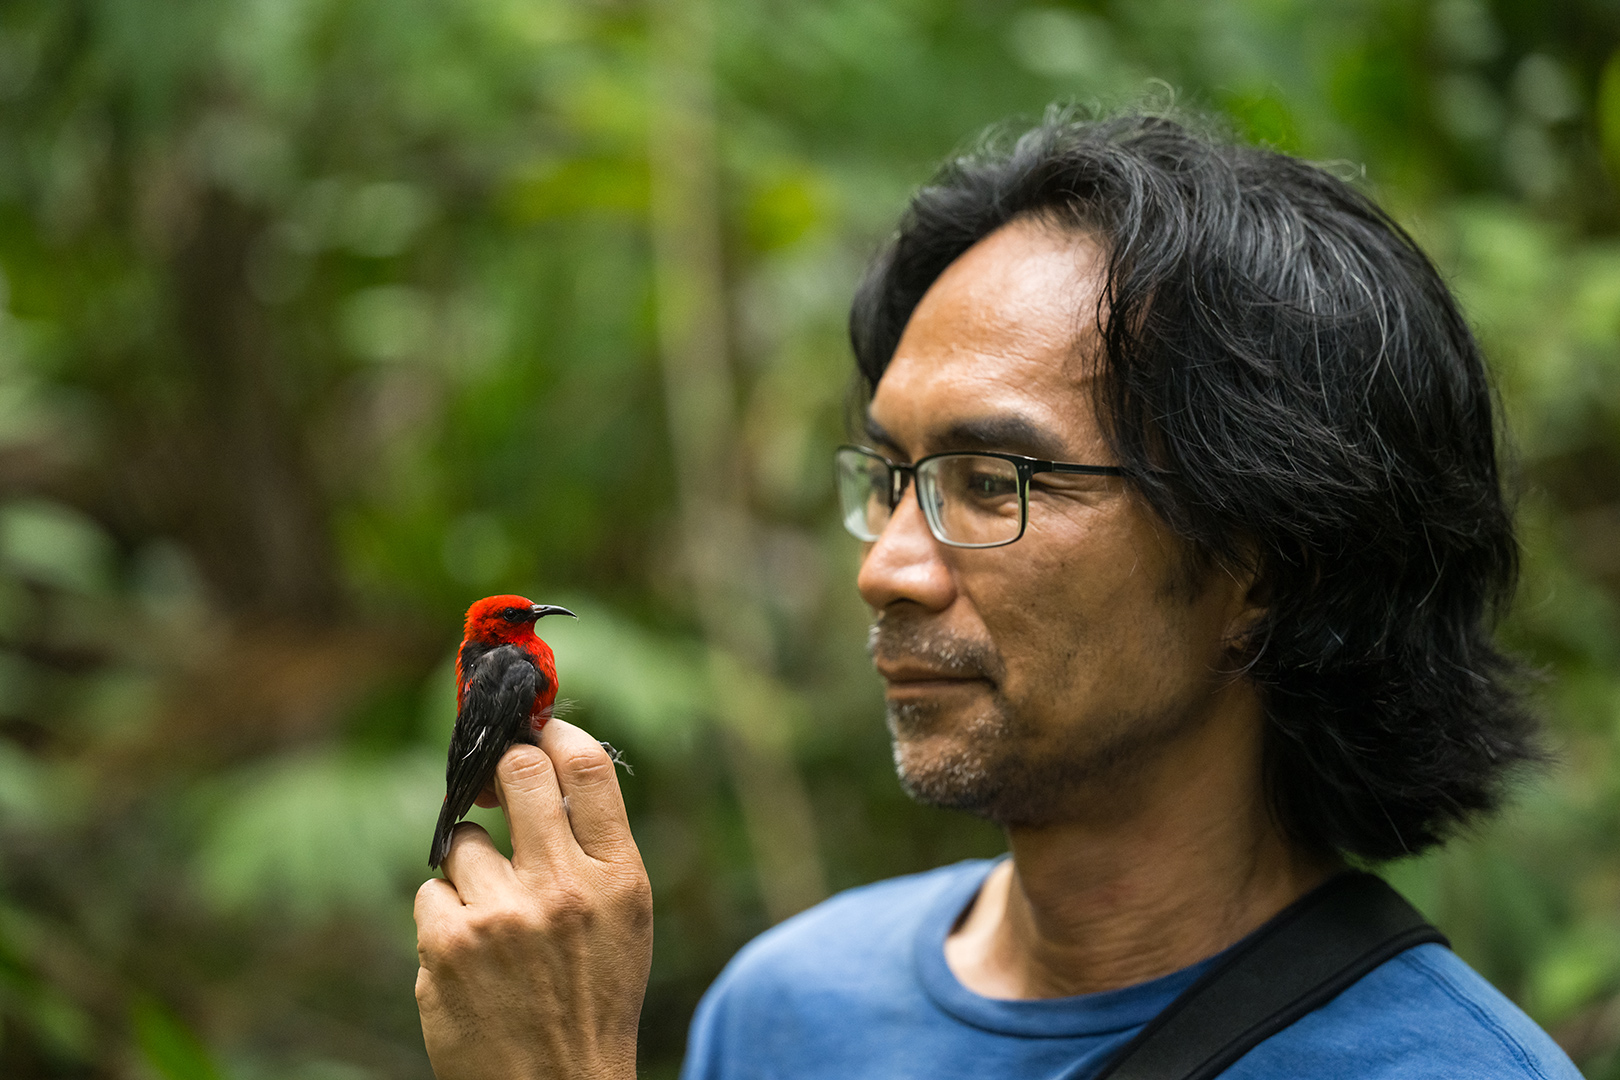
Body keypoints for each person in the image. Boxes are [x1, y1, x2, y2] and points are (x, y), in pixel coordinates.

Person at [412, 111, 1580, 1079]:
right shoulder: (785, 1015)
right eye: (889, 477)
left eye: (993, 481)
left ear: (1264, 566)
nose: (886, 567)